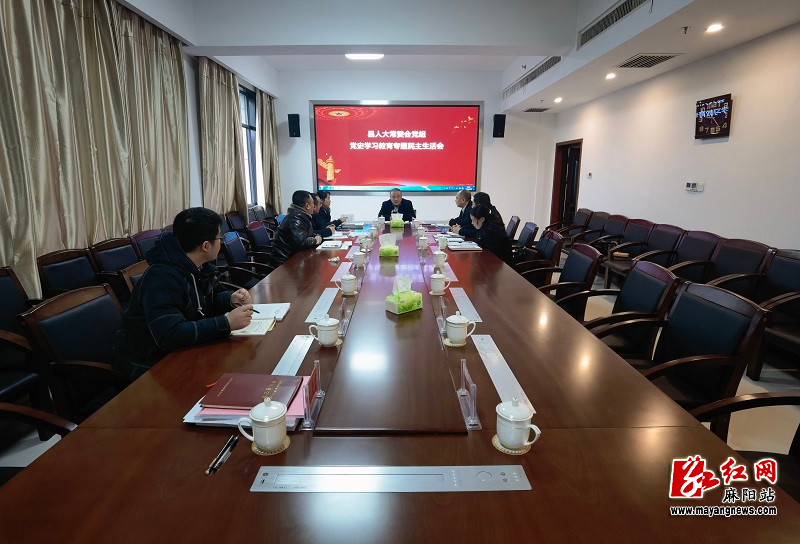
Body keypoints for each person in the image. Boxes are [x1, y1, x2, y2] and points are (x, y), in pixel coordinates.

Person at [114, 207, 255, 378]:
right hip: (151, 361)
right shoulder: (161, 278)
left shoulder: (200, 266)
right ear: (205, 246)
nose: (221, 242)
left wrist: (230, 299)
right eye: (220, 238)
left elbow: (206, 302)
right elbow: (169, 334)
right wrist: (226, 323)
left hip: (187, 348)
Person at [270, 190, 322, 265]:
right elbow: (301, 242)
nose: (314, 206)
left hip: (294, 258)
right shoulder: (295, 218)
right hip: (284, 263)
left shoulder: (300, 216)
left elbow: (308, 234)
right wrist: (315, 240)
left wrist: (317, 236)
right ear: (307, 206)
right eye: (313, 203)